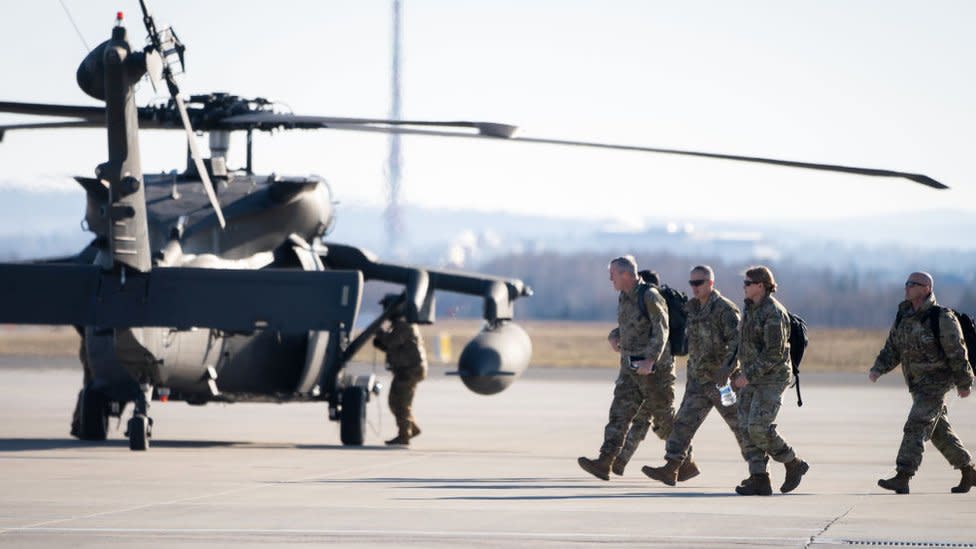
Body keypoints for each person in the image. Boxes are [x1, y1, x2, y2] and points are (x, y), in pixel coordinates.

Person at [642, 265, 750, 485]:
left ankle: (762, 472)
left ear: (710, 283)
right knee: (682, 425)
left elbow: (738, 344)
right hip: (698, 382)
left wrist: (727, 370)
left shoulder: (725, 310)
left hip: (723, 384)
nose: (694, 287)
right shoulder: (692, 309)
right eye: (692, 283)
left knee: (741, 426)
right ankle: (672, 467)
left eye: (699, 283)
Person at [578, 255, 684, 480]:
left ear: (626, 274)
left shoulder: (650, 296)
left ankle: (684, 462)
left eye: (612, 274)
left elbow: (661, 330)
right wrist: (614, 336)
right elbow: (627, 326)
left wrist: (650, 360)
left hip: (655, 371)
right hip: (630, 369)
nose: (610, 279)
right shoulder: (624, 297)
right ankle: (605, 461)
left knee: (664, 421)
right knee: (619, 413)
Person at [869, 271, 975, 494]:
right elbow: (893, 348)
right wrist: (878, 368)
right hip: (917, 384)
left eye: (912, 284)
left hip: (937, 383)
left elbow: (957, 352)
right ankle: (969, 471)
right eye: (906, 283)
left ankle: (903, 475)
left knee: (916, 424)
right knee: (938, 432)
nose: (906, 287)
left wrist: (964, 382)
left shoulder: (941, 317)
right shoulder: (904, 316)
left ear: (926, 288)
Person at [731, 265, 809, 495]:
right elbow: (744, 344)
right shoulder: (750, 309)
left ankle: (793, 463)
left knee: (758, 426)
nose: (743, 287)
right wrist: (735, 369)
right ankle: (759, 478)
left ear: (761, 285)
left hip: (771, 379)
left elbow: (774, 354)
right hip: (751, 378)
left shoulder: (773, 313)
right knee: (745, 427)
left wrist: (748, 375)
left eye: (747, 283)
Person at [373, 300, 428, 446]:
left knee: (400, 403)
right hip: (406, 370)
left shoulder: (404, 325)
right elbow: (394, 347)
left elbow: (391, 342)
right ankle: (410, 428)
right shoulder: (401, 325)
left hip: (410, 371)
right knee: (395, 402)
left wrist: (378, 332)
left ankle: (404, 435)